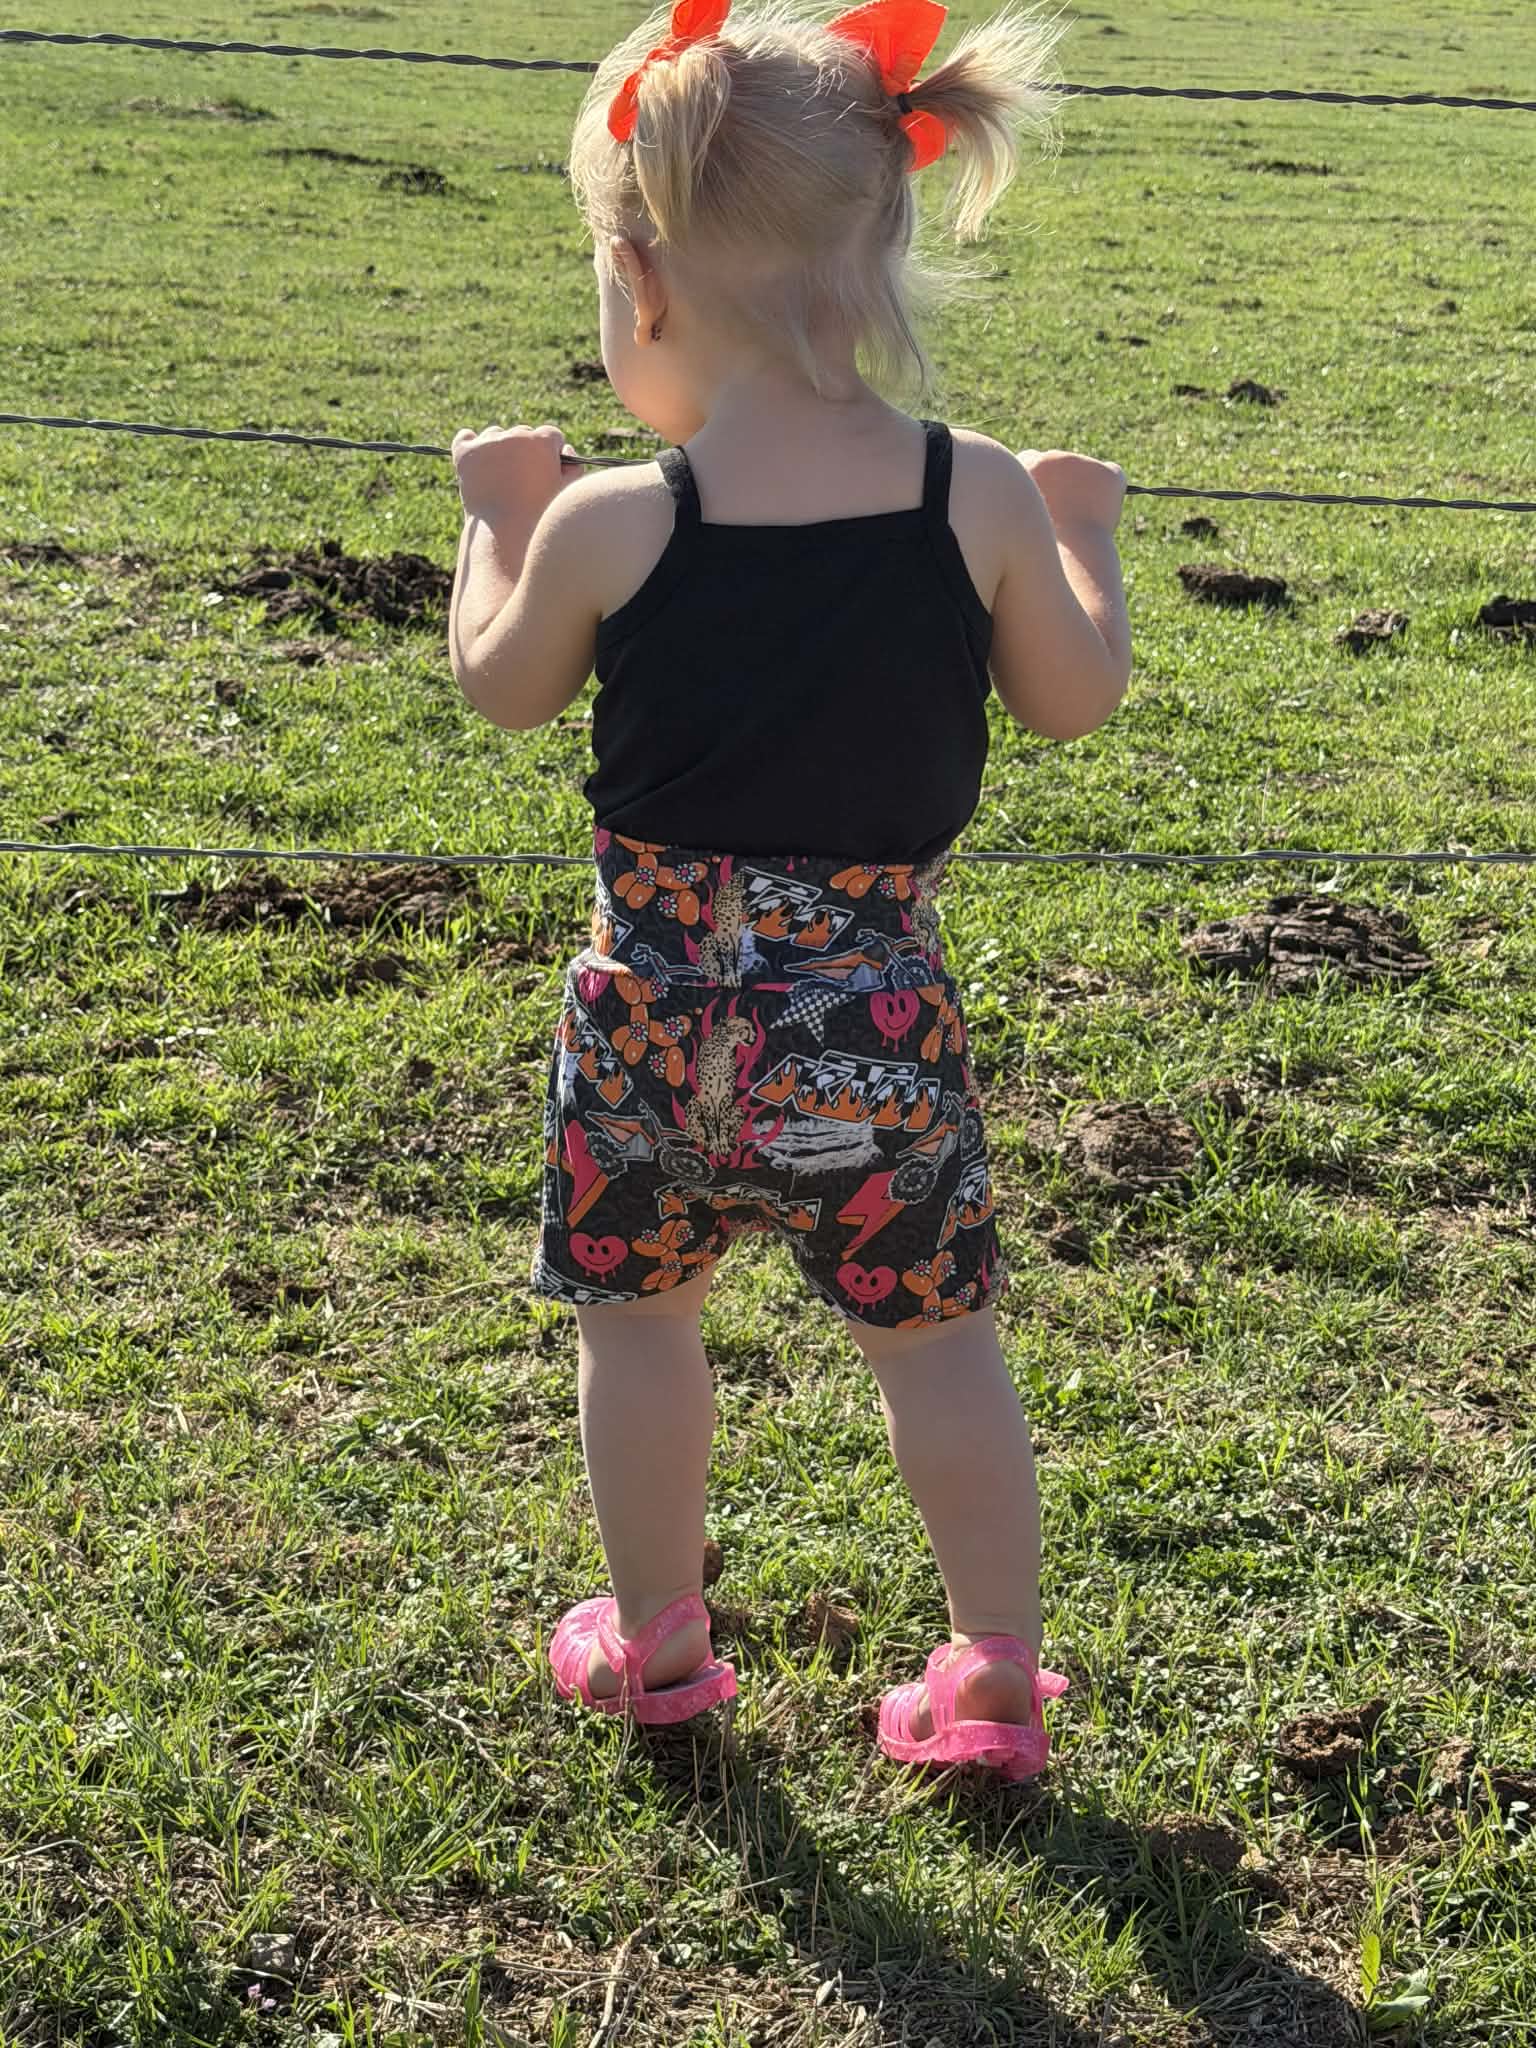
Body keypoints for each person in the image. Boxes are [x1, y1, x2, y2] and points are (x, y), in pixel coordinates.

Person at [449, 0, 1130, 1778]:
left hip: (651, 1022)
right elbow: (1072, 700)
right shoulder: (976, 495)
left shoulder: (615, 518)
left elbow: (505, 684)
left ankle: (655, 1642)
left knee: (639, 1329)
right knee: (943, 1351)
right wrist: (1086, 539)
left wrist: (496, 518)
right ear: (883, 245)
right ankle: (991, 1668)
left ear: (641, 280)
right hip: (872, 1028)